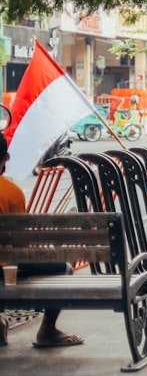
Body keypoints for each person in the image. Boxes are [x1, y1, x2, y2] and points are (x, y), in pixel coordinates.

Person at [0, 133, 83, 348]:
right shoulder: (11, 193)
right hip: (4, 269)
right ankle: (47, 330)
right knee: (64, 268)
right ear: (6, 157)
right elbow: (21, 247)